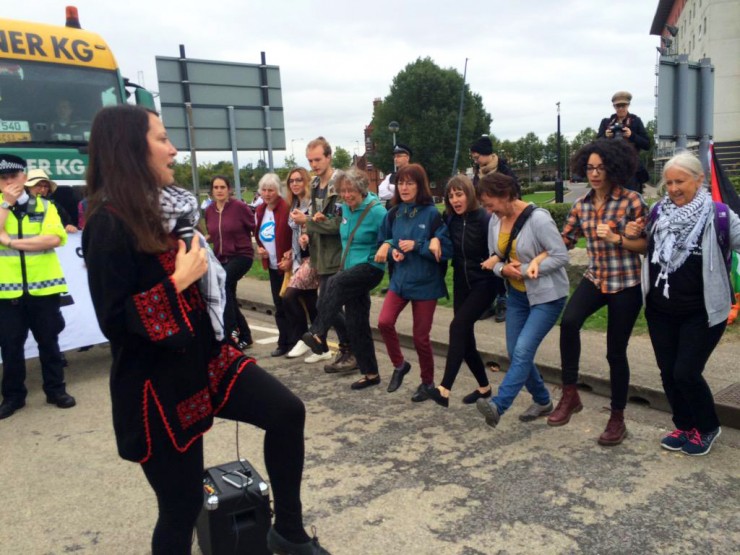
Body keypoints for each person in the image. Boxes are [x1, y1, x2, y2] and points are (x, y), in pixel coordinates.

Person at [82, 105, 330, 555]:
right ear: (130, 149)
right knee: (180, 509)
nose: (173, 148)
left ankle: (288, 533)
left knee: (287, 412)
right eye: (161, 139)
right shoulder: (106, 222)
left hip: (206, 358)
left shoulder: (165, 210)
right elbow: (114, 322)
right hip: (156, 387)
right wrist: (177, 281)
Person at [629, 152, 740, 456]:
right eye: (669, 183)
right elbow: (647, 248)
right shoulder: (657, 213)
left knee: (686, 372)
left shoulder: (718, 216)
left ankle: (707, 427)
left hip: (702, 312)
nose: (674, 188)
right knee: (667, 371)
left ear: (699, 179)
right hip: (660, 310)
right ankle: (685, 425)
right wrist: (632, 234)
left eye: (680, 181)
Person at [547, 139, 648, 446]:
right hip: (596, 278)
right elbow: (564, 241)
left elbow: (645, 246)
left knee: (614, 352)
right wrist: (533, 256)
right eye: (590, 168)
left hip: (626, 283)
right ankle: (570, 394)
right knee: (569, 323)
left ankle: (617, 418)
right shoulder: (581, 206)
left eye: (601, 168)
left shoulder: (632, 201)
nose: (594, 174)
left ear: (613, 167)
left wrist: (618, 238)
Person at [474, 172, 569, 428]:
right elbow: (495, 257)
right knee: (515, 351)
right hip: (517, 296)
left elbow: (561, 256)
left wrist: (526, 269)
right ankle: (542, 400)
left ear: (505, 195)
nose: (487, 209)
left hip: (547, 296)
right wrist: (501, 270)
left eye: (489, 202)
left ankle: (499, 405)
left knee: (523, 350)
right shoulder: (495, 220)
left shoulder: (539, 219)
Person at [0, 153, 75, 420]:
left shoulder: (44, 205)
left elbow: (54, 238)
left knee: (49, 342)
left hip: (43, 290)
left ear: (24, 176)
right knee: (10, 347)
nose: (9, 182)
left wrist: (8, 242)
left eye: (13, 176)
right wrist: (6, 205)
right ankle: (13, 397)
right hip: (7, 293)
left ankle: (56, 391)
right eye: (3, 178)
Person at [301, 169, 387, 390]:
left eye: (351, 191)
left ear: (362, 189)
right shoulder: (346, 209)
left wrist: (388, 246)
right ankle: (370, 373)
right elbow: (342, 228)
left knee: (335, 283)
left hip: (370, 267)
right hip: (350, 268)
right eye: (343, 191)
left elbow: (391, 234)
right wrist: (324, 217)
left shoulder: (376, 211)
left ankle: (318, 332)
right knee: (356, 322)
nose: (347, 195)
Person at [375, 163, 452, 403]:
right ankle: (400, 365)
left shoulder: (431, 214)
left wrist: (419, 246)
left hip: (426, 285)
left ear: (420, 185)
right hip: (400, 281)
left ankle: (427, 383)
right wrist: (392, 251)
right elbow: (383, 242)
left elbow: (446, 250)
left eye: (410, 183)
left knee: (421, 337)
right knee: (384, 322)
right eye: (401, 183)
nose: (405, 187)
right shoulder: (393, 213)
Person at [427, 176, 497, 408]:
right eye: (451, 196)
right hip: (461, 282)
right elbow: (438, 231)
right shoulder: (450, 219)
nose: (455, 200)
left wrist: (495, 261)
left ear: (469, 193)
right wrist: (436, 238)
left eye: (460, 194)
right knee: (465, 340)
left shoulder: (486, 219)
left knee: (457, 327)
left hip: (484, 283)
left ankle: (444, 389)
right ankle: (484, 388)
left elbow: (501, 248)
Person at [291, 137, 355, 370]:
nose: (314, 164)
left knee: (326, 303)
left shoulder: (340, 184)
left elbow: (340, 223)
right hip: (321, 254)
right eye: (310, 160)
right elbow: (320, 219)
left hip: (338, 254)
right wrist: (308, 231)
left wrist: (308, 221)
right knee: (331, 305)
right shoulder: (316, 183)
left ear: (329, 156)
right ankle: (348, 349)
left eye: (318, 159)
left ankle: (348, 347)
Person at [204, 175, 255, 350]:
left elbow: (253, 226)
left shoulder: (239, 207)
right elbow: (214, 232)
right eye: (216, 187)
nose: (219, 190)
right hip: (221, 258)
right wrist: (203, 240)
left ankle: (232, 331)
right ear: (212, 190)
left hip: (241, 255)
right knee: (229, 296)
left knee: (222, 283)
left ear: (229, 189)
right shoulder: (209, 210)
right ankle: (246, 336)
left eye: (222, 187)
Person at [470, 135, 517, 323]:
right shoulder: (477, 174)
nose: (476, 160)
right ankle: (489, 301)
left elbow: (514, 194)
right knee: (487, 261)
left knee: (501, 257)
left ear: (487, 154)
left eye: (477, 156)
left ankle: (503, 300)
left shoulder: (504, 170)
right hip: (483, 222)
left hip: (501, 221)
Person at [283, 167, 321, 359]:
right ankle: (321, 347)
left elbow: (319, 224)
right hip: (300, 256)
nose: (295, 184)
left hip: (314, 257)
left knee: (290, 296)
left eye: (299, 180)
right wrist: (292, 251)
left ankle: (303, 338)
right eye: (291, 181)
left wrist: (306, 232)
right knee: (310, 300)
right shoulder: (295, 202)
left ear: (306, 181)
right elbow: (294, 232)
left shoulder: (313, 203)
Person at [255, 173, 294, 357]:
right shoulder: (261, 210)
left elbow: (292, 234)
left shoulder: (285, 208)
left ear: (278, 191)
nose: (267, 193)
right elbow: (261, 235)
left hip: (287, 266)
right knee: (279, 305)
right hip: (271, 265)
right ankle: (284, 342)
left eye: (271, 190)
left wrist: (290, 257)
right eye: (264, 190)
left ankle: (294, 341)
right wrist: (261, 249)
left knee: (291, 305)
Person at [597, 91, 651, 192]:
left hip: (631, 168)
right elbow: (596, 145)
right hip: (611, 168)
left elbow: (647, 144)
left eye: (623, 105)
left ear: (628, 105)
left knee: (631, 200)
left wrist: (632, 136)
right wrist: (605, 136)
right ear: (614, 106)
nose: (621, 109)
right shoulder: (606, 122)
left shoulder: (635, 121)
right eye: (618, 106)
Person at [376, 143, 412, 294]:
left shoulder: (413, 173)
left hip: (408, 215)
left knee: (406, 247)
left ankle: (408, 282)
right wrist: (395, 190)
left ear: (407, 157)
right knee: (391, 247)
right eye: (395, 156)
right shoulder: (391, 176)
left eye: (400, 156)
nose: (396, 159)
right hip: (392, 215)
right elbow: (382, 192)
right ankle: (393, 283)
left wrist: (393, 190)